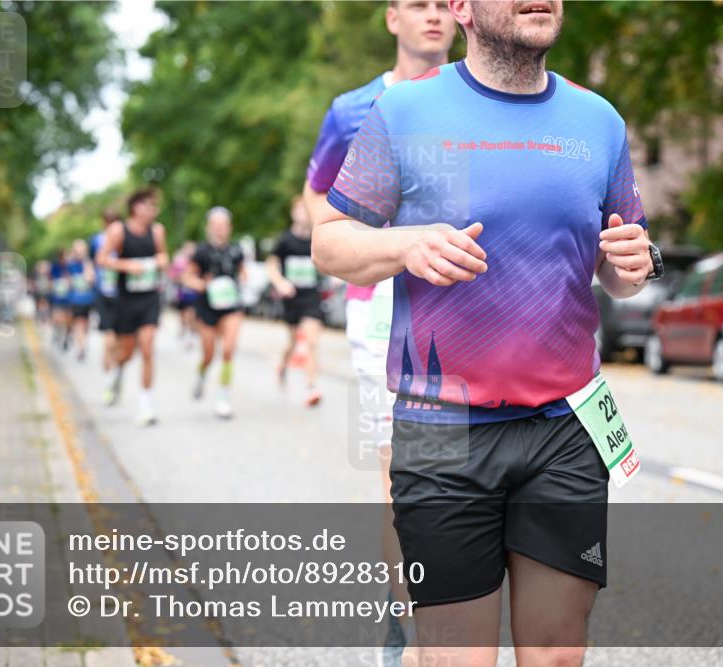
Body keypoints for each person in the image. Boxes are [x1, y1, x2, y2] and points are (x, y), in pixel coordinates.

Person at [311, 1, 658, 664]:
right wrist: (405, 244)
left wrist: (631, 267)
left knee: (557, 654)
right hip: (440, 430)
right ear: (462, 8)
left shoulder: (598, 121)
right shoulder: (408, 112)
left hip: (565, 426)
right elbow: (329, 242)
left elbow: (620, 267)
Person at [300, 2, 456, 663]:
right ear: (393, 18)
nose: (434, 17)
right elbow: (317, 203)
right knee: (404, 479)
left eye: (446, 4)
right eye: (419, 4)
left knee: (458, 480)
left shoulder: (484, 99)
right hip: (382, 310)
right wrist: (383, 241)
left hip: (466, 309)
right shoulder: (353, 109)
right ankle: (404, 619)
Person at [97, 187, 169, 426]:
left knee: (148, 348)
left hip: (149, 297)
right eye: (150, 205)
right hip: (126, 299)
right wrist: (128, 266)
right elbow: (102, 258)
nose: (153, 211)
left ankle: (146, 405)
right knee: (126, 352)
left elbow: (164, 257)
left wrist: (158, 262)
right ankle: (117, 374)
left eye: (155, 206)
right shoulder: (119, 230)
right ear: (136, 207)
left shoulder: (157, 231)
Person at [184, 206, 247, 419]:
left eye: (223, 225)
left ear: (229, 228)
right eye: (216, 225)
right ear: (209, 228)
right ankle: (201, 376)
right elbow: (187, 277)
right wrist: (202, 285)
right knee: (209, 355)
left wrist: (244, 280)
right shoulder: (201, 252)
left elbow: (243, 272)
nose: (220, 229)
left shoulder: (236, 250)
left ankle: (223, 398)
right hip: (207, 308)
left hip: (231, 307)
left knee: (228, 350)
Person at [268, 196, 326, 407]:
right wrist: (281, 282)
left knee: (311, 341)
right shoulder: (285, 240)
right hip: (291, 297)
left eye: (306, 210)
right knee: (293, 342)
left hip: (311, 296)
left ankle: (311, 387)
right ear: (293, 213)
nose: (303, 214)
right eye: (299, 210)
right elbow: (272, 266)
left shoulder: (317, 238)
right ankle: (282, 366)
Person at [91, 209, 121, 373]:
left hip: (122, 294)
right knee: (109, 337)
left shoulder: (124, 239)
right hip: (103, 292)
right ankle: (108, 370)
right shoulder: (96, 240)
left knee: (120, 338)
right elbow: (90, 261)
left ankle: (115, 368)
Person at [66, 239, 97, 362]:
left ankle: (83, 342)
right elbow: (66, 280)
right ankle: (81, 347)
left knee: (86, 323)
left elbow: (91, 279)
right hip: (75, 299)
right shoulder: (70, 264)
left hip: (88, 299)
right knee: (79, 323)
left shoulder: (88, 263)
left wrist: (87, 267)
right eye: (77, 249)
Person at [169, 241, 199, 350]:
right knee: (183, 314)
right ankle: (184, 329)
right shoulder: (180, 262)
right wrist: (179, 277)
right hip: (182, 293)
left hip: (194, 293)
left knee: (192, 314)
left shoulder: (197, 262)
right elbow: (172, 274)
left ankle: (192, 334)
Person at [48, 249, 71, 350]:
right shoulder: (55, 267)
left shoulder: (70, 267)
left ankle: (66, 337)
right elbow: (50, 281)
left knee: (68, 320)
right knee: (58, 319)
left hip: (69, 298)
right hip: (57, 297)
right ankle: (57, 333)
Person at [32, 259, 53, 325]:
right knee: (40, 307)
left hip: (46, 295)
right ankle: (40, 320)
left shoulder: (49, 276)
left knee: (46, 308)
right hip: (39, 295)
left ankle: (46, 321)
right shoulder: (36, 276)